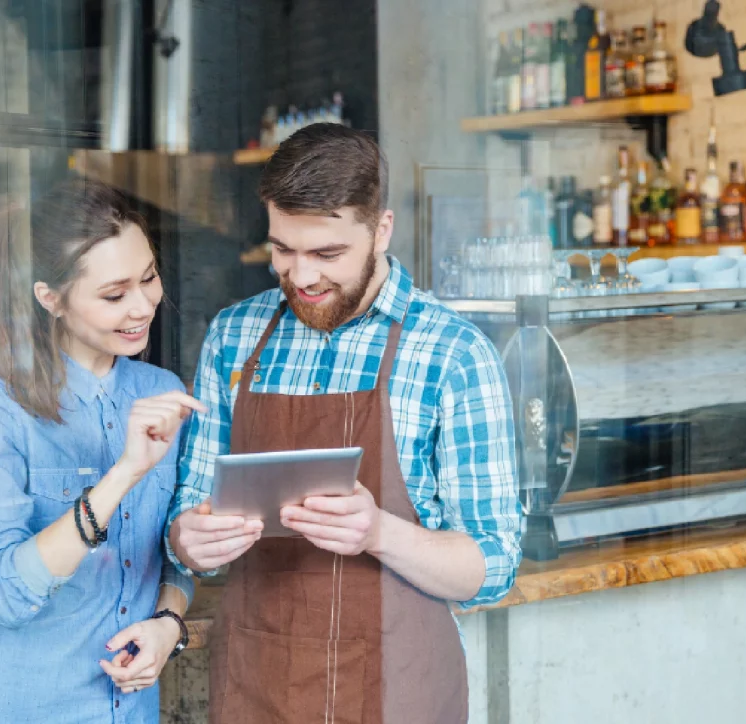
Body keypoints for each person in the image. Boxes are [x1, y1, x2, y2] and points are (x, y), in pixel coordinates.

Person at [167, 123, 523, 723]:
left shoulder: (454, 354)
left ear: (381, 229)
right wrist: (190, 540)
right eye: (283, 250)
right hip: (259, 683)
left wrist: (379, 532)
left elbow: (492, 567)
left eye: (327, 254)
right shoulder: (234, 337)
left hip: (398, 690)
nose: (302, 277)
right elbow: (186, 520)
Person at [0, 179, 204, 724]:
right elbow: (1, 595)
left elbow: (170, 557)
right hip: (19, 706)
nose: (143, 305)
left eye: (149, 278)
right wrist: (124, 474)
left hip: (128, 711)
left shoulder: (159, 390)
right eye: (114, 293)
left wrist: (167, 626)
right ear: (50, 299)